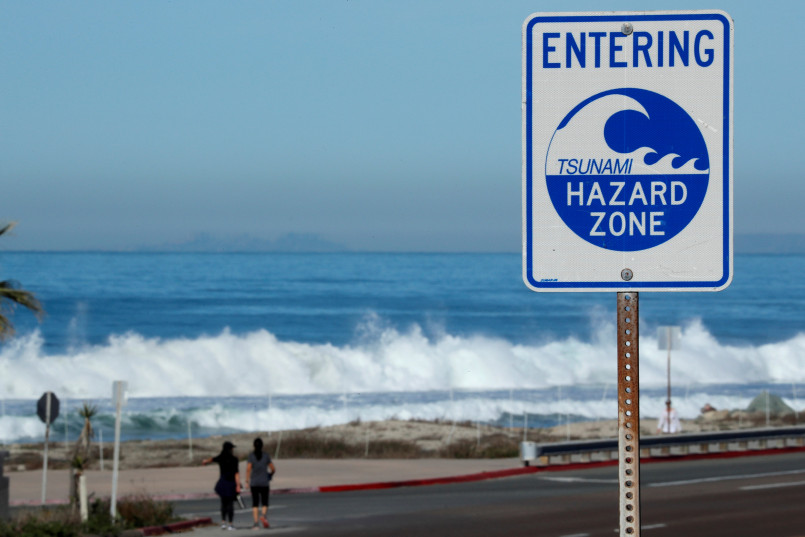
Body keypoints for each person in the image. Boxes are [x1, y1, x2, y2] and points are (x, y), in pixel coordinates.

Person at [202, 441, 241, 530]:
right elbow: (236, 473)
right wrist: (238, 485)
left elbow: (212, 459)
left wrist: (205, 461)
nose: (233, 450)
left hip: (222, 482)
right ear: (230, 449)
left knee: (223, 503)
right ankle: (230, 524)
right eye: (232, 448)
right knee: (230, 504)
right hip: (231, 483)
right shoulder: (234, 459)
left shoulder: (221, 457)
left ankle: (223, 523)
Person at [246, 437, 276, 530]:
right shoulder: (266, 456)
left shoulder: (251, 456)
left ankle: (256, 524)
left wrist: (247, 481)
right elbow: (273, 468)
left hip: (254, 482)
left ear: (254, 446)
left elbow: (248, 469)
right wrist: (270, 475)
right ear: (262, 446)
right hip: (264, 482)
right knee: (264, 502)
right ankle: (263, 515)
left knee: (255, 503)